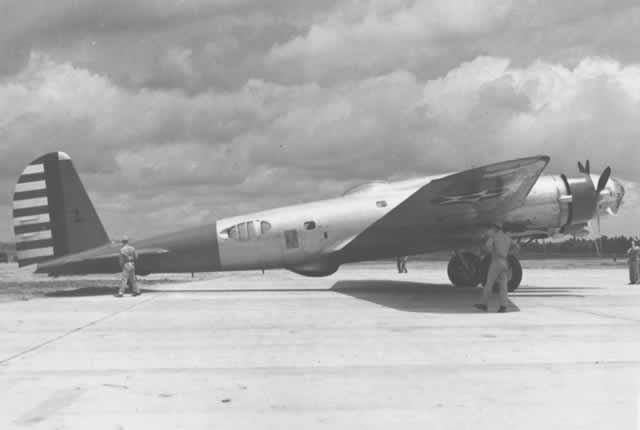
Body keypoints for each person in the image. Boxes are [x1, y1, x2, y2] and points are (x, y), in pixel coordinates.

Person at [474, 222, 518, 313]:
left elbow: (488, 245)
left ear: (494, 228)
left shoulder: (493, 237)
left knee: (489, 284)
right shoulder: (507, 238)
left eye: (490, 228)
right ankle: (503, 306)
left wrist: (491, 251)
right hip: (504, 263)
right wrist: (509, 253)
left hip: (496, 262)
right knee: (503, 286)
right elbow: (517, 247)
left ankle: (483, 304)